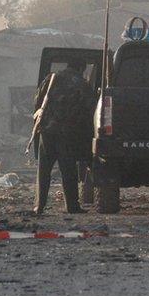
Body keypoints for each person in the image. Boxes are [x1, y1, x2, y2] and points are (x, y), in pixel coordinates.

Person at [33, 59, 95, 214]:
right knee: (68, 171)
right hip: (67, 133)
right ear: (81, 68)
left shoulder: (51, 78)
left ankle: (39, 206)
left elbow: (38, 102)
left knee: (43, 171)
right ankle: (72, 206)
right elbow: (90, 109)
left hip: (46, 131)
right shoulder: (82, 84)